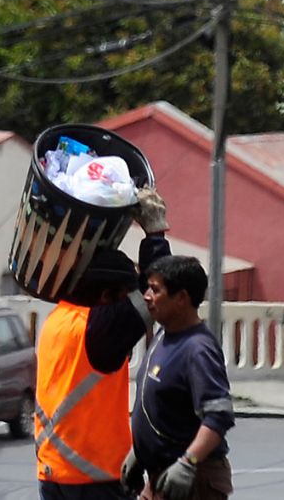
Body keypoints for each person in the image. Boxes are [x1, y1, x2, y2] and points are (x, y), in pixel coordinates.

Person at [35, 187, 170, 500]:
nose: (127, 302)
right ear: (107, 295)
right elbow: (156, 296)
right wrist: (155, 234)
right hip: (94, 480)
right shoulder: (98, 330)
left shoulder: (59, 319)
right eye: (123, 295)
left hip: (53, 474)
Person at [123, 256, 235, 500]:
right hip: (158, 477)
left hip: (191, 480)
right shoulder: (163, 335)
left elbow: (218, 415)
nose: (146, 296)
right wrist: (139, 452)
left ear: (182, 298)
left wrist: (188, 462)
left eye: (155, 289)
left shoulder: (198, 349)